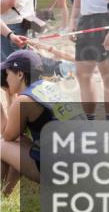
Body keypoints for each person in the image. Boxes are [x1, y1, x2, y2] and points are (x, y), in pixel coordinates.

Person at [1, 49, 84, 195]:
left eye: (7, 74)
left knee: (2, 144)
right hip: (83, 165)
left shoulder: (23, 101)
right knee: (19, 141)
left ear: (19, 74)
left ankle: (3, 196)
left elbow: (7, 136)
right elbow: (16, 135)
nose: (5, 79)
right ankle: (4, 194)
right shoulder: (48, 87)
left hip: (62, 172)